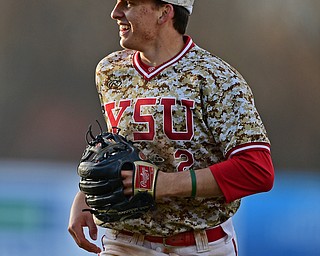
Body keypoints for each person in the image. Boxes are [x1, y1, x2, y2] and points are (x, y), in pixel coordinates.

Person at [68, 0, 275, 255]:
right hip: (124, 241)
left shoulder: (215, 77)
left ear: (165, 12)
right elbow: (119, 150)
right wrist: (85, 196)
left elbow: (256, 169)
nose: (115, 12)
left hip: (201, 243)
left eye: (130, 3)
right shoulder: (110, 71)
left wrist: (164, 184)